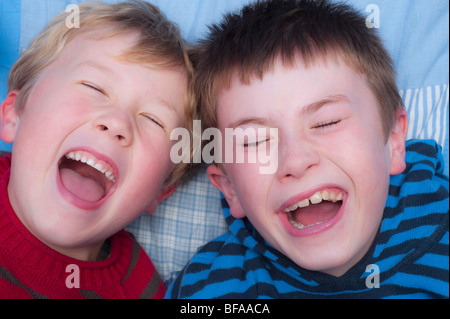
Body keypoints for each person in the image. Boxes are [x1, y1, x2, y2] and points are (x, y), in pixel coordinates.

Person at [168, 0, 449, 298]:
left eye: (327, 122)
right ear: (229, 188)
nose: (296, 161)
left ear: (393, 140)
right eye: (254, 140)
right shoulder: (204, 290)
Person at [0, 0, 195, 298]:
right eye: (94, 87)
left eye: (154, 120)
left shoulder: (140, 288)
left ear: (162, 189)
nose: (117, 123)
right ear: (15, 113)